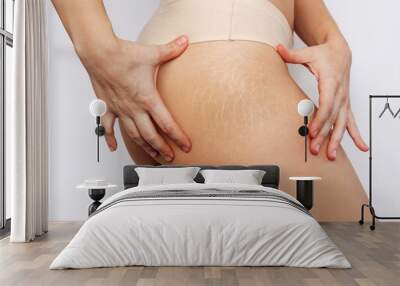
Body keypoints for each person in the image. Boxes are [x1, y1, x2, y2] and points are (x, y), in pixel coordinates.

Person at [52, 0, 369, 221]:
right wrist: (97, 50)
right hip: (226, 74)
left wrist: (334, 41)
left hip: (213, 71)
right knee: (363, 254)